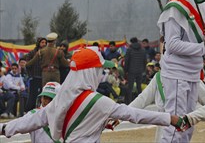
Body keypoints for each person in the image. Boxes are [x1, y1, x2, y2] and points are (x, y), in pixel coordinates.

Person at [0, 47, 180, 142]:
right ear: (90, 72)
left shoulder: (62, 97)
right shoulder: (99, 102)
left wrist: (4, 129)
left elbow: (32, 120)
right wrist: (168, 119)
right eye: (98, 70)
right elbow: (134, 115)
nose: (101, 74)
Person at [156, 0, 205, 142]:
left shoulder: (204, 6)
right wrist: (202, 48)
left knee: (188, 126)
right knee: (175, 127)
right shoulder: (175, 8)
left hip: (193, 72)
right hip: (176, 73)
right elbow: (173, 44)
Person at [129, 71, 205, 142]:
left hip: (181, 136)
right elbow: (141, 100)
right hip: (162, 137)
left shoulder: (193, 80)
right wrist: (120, 115)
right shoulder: (159, 78)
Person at [25, 37, 47, 111]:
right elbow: (27, 65)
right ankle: (28, 111)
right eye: (42, 42)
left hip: (44, 78)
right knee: (32, 96)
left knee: (42, 96)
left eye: (45, 42)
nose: (44, 44)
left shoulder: (46, 53)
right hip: (34, 77)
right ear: (38, 43)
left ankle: (40, 110)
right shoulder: (32, 53)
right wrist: (36, 56)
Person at [124, 37, 147, 104]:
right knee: (139, 87)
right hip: (140, 71)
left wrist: (126, 71)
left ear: (131, 42)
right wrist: (143, 69)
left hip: (131, 71)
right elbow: (145, 61)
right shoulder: (143, 50)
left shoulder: (129, 50)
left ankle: (129, 102)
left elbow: (127, 61)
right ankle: (141, 102)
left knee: (130, 87)